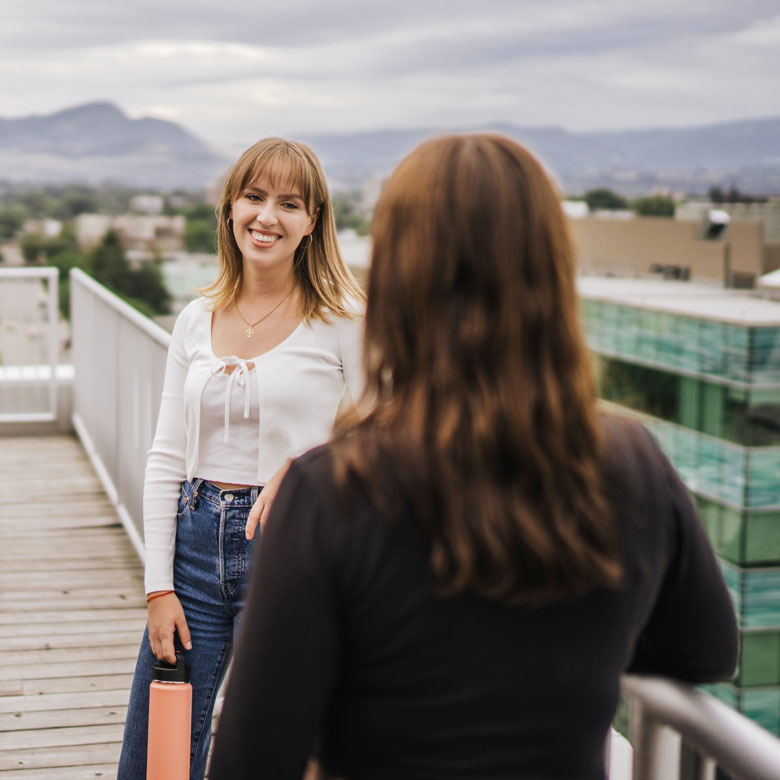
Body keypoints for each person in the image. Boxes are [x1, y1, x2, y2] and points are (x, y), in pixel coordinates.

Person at [208, 134, 738, 780]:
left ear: (400, 277)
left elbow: (252, 758)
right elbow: (707, 651)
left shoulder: (333, 491)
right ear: (550, 270)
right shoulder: (632, 462)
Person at [117, 137, 365, 780]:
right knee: (155, 759)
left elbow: (385, 435)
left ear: (313, 222)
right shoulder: (196, 319)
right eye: (254, 197)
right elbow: (165, 454)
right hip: (194, 547)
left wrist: (315, 464)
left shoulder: (345, 320)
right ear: (230, 209)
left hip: (292, 549)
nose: (267, 216)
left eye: (289, 203)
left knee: (272, 750)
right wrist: (158, 587)